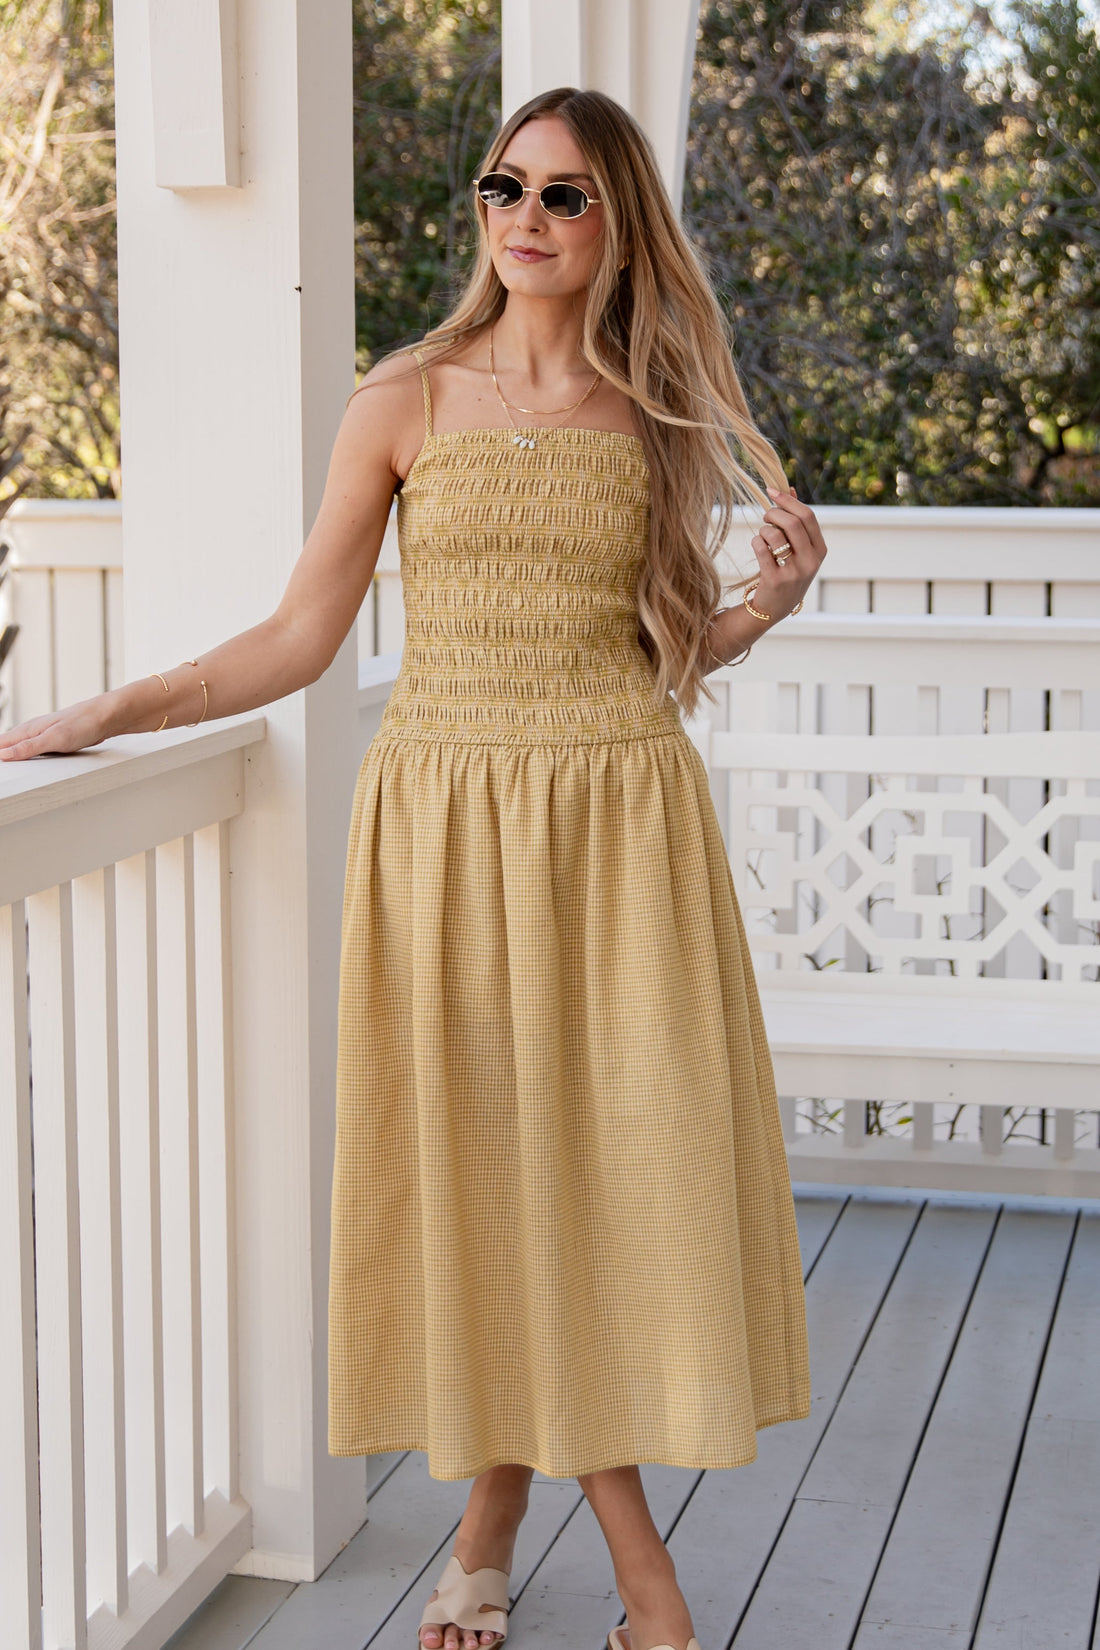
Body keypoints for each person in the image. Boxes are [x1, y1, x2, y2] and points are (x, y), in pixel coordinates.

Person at [0, 85, 827, 1650]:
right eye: (506, 184)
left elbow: (664, 653)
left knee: (605, 1181)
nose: (526, 216)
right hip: (445, 832)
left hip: (620, 830)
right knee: (489, 1173)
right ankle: (630, 1577)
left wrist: (766, 607)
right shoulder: (403, 400)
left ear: (618, 224)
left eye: (568, 196)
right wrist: (107, 705)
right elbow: (304, 634)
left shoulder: (653, 416)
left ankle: (499, 1520)